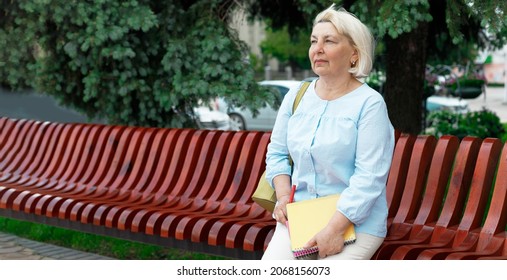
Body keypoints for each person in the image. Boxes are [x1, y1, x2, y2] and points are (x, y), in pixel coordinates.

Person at [262, 4, 395, 260]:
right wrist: (282, 199)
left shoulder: (370, 104)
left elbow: (369, 178)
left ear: (354, 53)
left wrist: (334, 229)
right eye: (314, 41)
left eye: (329, 41)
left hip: (354, 223)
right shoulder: (296, 96)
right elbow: (277, 154)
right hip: (299, 218)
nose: (317, 49)